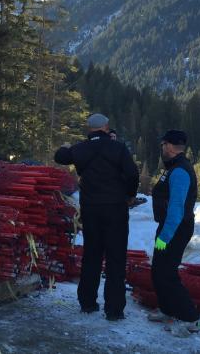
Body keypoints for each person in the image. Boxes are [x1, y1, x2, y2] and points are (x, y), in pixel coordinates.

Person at [54, 113, 139, 321]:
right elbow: (132, 174)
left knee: (91, 255)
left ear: (89, 128)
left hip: (91, 208)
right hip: (116, 208)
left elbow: (60, 157)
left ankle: (87, 303)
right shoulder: (118, 148)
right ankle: (114, 309)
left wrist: (66, 147)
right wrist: (129, 196)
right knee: (115, 258)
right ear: (106, 127)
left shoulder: (81, 148)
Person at [148, 130, 200, 329]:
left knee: (167, 274)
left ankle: (190, 317)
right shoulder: (174, 167)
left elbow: (177, 208)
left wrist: (165, 236)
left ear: (169, 146)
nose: (162, 149)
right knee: (158, 272)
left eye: (163, 145)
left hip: (176, 228)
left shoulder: (179, 171)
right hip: (171, 226)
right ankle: (167, 310)